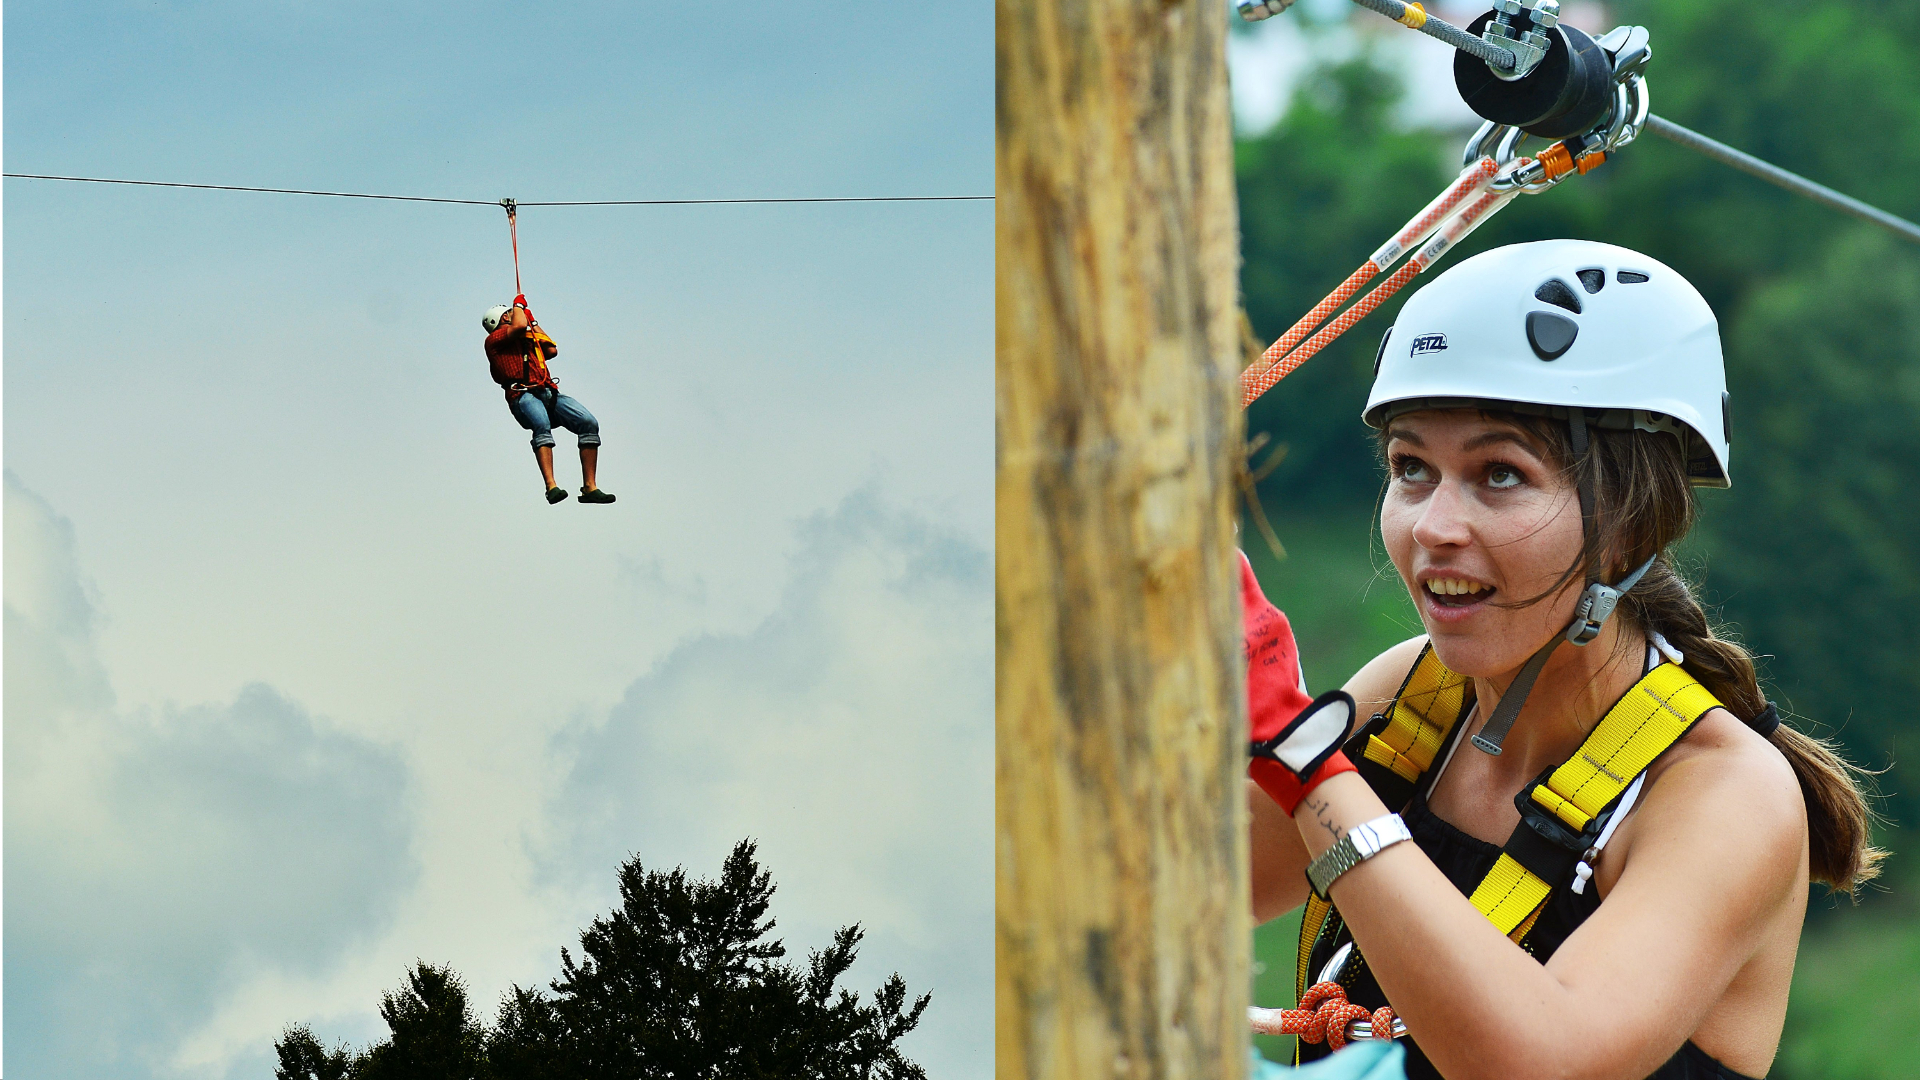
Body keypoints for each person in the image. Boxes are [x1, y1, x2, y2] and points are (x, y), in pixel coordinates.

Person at [1241, 240, 1879, 1080]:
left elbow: (1546, 1060)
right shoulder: (1413, 701)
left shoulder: (1721, 793)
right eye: (1411, 467)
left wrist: (1306, 765)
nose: (1433, 525)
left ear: (1629, 519)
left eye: (1500, 474)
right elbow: (1183, 884)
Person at [482, 297, 615, 504]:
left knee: (588, 423)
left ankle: (590, 487)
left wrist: (533, 322)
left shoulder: (524, 339)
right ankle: (551, 486)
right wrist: (519, 306)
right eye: (510, 313)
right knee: (541, 426)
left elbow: (551, 350)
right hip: (523, 394)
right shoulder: (494, 340)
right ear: (503, 318)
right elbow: (519, 326)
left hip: (547, 392)